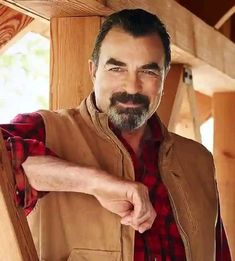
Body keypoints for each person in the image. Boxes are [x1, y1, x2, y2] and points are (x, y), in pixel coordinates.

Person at [1, 9, 231, 261]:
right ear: (93, 71)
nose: (132, 87)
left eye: (148, 71)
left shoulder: (199, 160)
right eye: (117, 69)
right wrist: (95, 183)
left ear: (164, 77)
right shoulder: (46, 130)